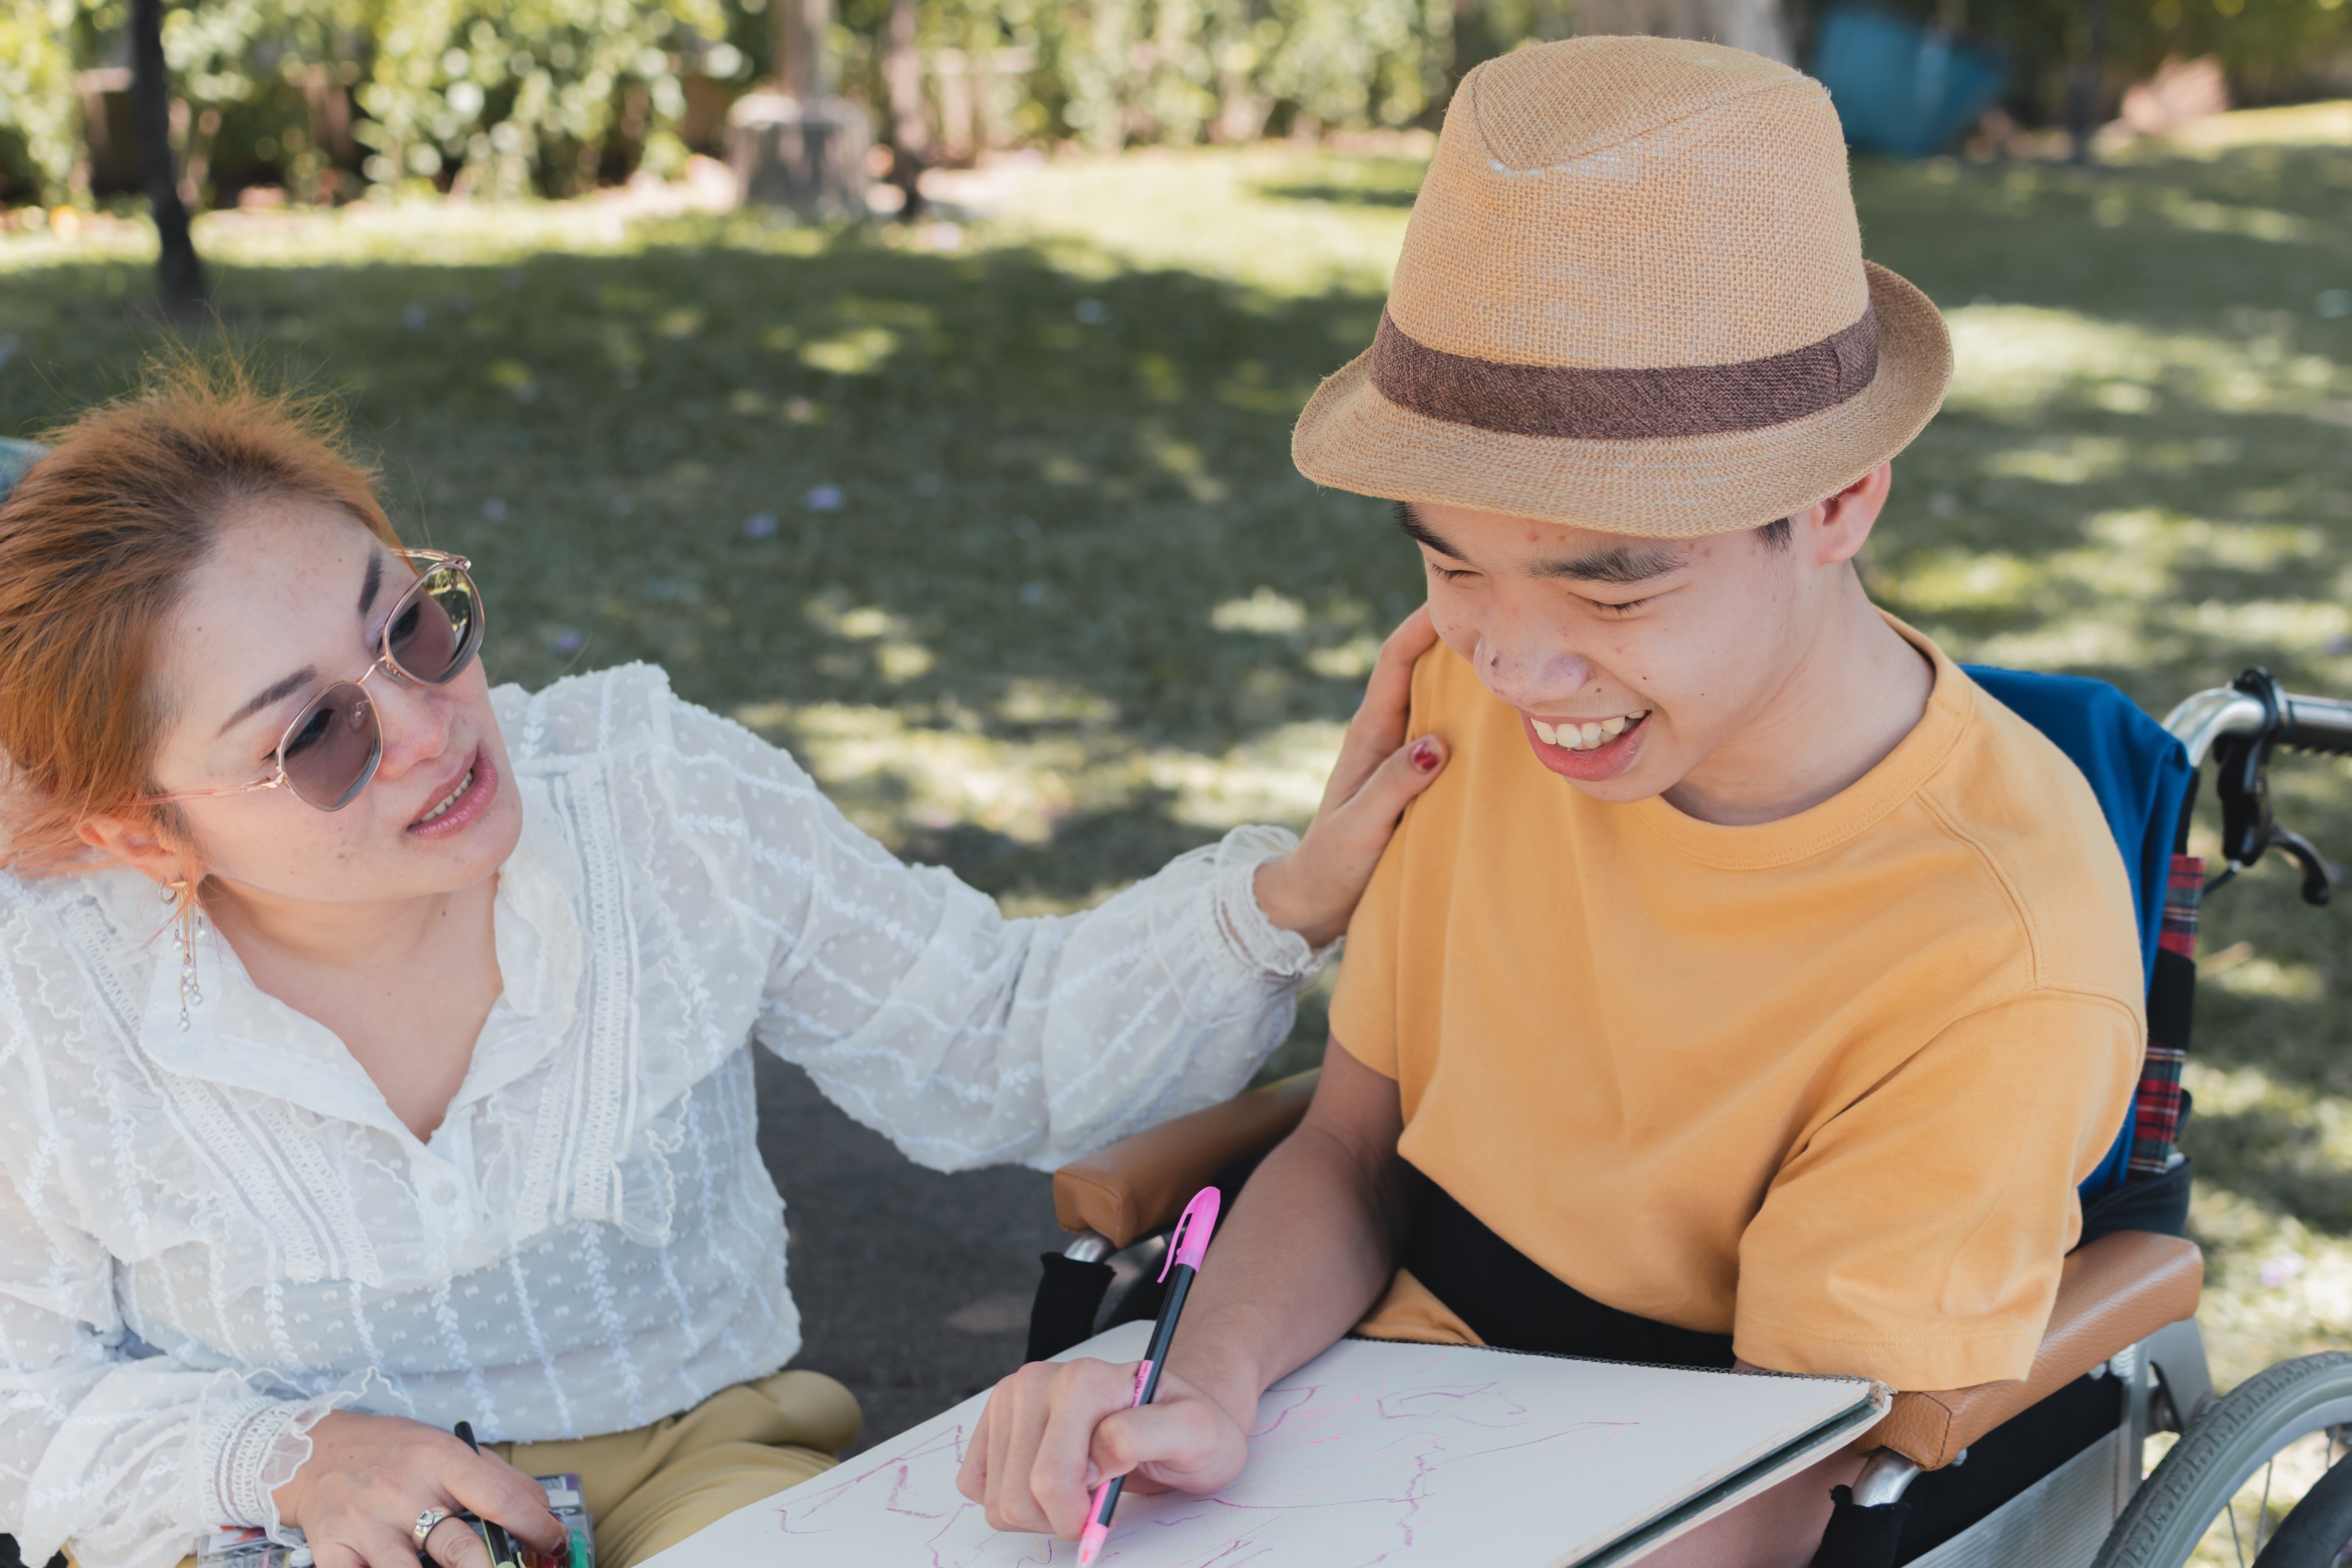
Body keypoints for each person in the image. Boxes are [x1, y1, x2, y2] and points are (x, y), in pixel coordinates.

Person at [958, 36, 2148, 1568]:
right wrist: (1201, 1381)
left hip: (1701, 1482)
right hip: (1376, 1418)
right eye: (1449, 561)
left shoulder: (1994, 949)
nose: (1515, 661)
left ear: (1842, 501)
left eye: (1613, 577)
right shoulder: (1464, 707)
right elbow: (1352, 1146)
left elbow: (1789, 1475)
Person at [0, 365, 1451, 1568]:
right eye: (312, 735)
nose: (430, 724)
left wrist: (1294, 894)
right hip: (298, 1521)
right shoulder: (56, 995)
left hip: (708, 1471)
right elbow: (22, 1398)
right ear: (141, 825)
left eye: (414, 624)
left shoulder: (657, 796)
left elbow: (992, 1046)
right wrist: (292, 1454)